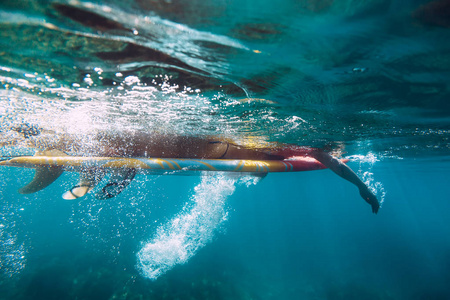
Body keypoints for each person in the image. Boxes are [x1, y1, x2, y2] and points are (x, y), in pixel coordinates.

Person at [11, 126, 380, 213]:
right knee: (129, 148)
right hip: (207, 143)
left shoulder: (277, 145)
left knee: (129, 148)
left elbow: (257, 165)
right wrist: (361, 187)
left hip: (206, 144)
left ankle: (94, 174)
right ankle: (93, 174)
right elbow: (327, 159)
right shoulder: (303, 144)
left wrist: (258, 171)